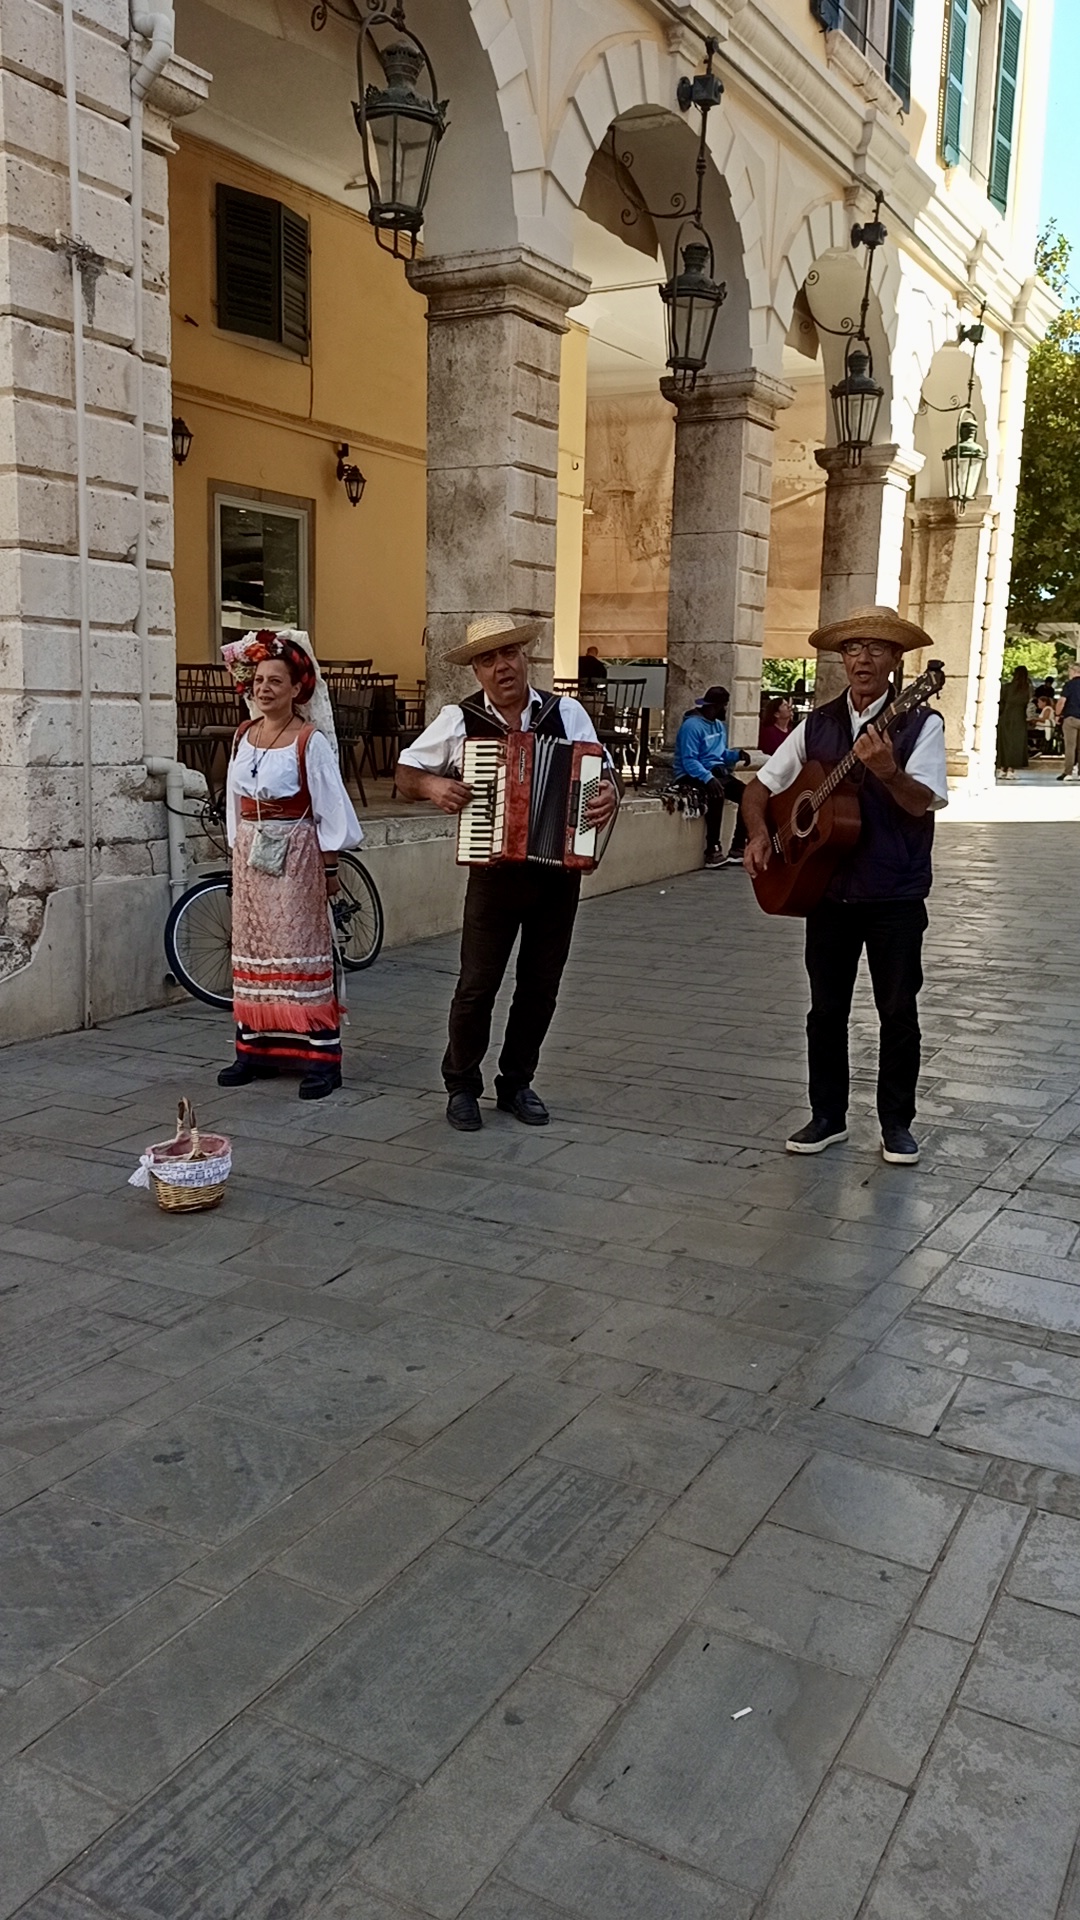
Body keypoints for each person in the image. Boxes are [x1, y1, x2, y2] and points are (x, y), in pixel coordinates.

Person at [395, 615, 620, 1132]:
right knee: (476, 985)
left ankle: (517, 1082)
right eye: (487, 659)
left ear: (526, 658)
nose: (501, 667)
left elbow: (602, 775)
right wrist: (433, 788)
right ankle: (461, 1085)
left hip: (556, 874)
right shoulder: (460, 718)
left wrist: (608, 794)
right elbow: (406, 773)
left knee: (540, 986)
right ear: (476, 670)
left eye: (509, 654)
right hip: (493, 876)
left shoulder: (568, 714)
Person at [741, 605, 947, 1167]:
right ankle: (828, 1116)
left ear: (897, 662)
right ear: (841, 659)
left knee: (897, 1012)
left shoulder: (919, 723)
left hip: (894, 895)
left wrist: (886, 770)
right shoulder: (819, 724)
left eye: (876, 649)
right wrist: (760, 835)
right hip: (827, 891)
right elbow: (759, 789)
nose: (863, 658)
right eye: (853, 648)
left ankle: (896, 1124)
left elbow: (920, 801)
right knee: (825, 1010)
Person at [218, 631, 362, 1100]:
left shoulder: (308, 740)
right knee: (254, 950)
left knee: (300, 946)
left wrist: (329, 865)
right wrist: (236, 850)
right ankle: (254, 1050)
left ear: (297, 688)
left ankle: (321, 1058)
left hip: (296, 853)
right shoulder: (244, 735)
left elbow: (328, 806)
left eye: (275, 681)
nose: (264, 689)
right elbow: (236, 801)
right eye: (259, 680)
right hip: (252, 856)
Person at [672, 685, 752, 869]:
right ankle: (712, 849)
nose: (725, 710)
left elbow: (720, 753)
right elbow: (689, 760)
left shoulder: (718, 726)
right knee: (716, 794)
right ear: (714, 706)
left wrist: (737, 755)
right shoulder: (691, 726)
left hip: (714, 772)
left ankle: (737, 848)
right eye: (724, 706)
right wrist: (707, 777)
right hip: (689, 774)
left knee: (748, 796)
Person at [996, 665, 1031, 778]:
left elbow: (1001, 702)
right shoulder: (1027, 688)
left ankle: (1002, 768)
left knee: (1004, 743)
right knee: (1016, 743)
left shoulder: (1007, 687)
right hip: (1019, 717)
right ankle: (1011, 769)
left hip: (1006, 716)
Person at [1056, 663, 1080, 780]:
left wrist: (1057, 715)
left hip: (1071, 718)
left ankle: (1068, 772)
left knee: (1070, 746)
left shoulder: (1069, 685)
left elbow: (1061, 702)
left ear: (1074, 671)